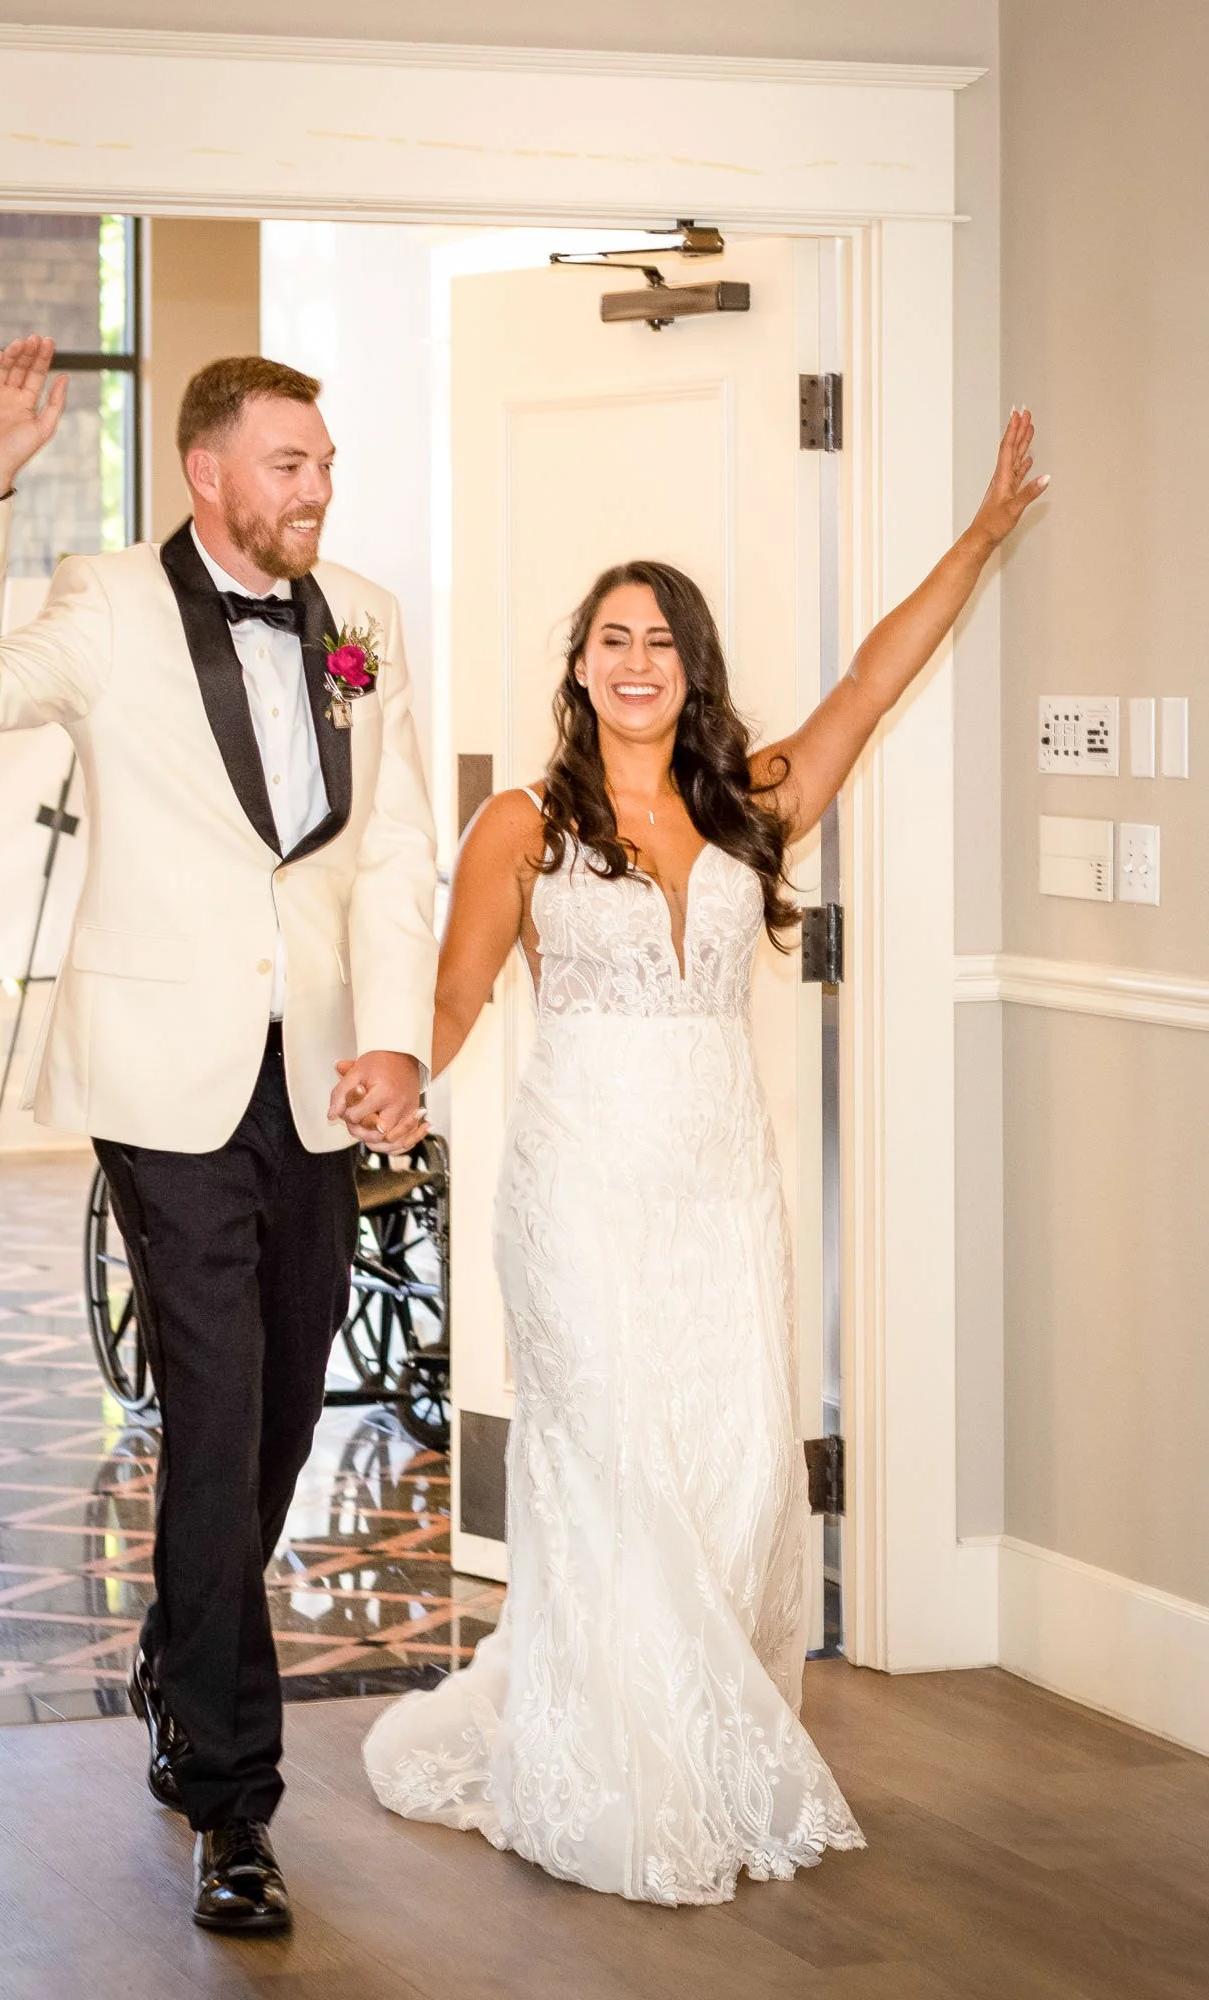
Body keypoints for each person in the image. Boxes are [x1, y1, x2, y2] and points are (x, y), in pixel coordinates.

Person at [362, 411, 1048, 1904]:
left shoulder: (752, 803)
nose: (637, 661)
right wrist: (405, 1077)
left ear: (693, 671)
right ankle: (618, 1772)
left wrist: (984, 539)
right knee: (612, 1466)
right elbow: (459, 992)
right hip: (580, 1189)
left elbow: (874, 678)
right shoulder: (523, 824)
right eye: (614, 637)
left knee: (730, 1474)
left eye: (663, 641)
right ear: (578, 665)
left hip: (722, 1191)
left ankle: (693, 1738)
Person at [0, 339, 438, 1934]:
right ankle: (232, 1798)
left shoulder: (370, 623)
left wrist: (396, 1032)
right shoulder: (108, 601)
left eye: (327, 465)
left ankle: (177, 1649)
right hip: (162, 1073)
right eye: (292, 465)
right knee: (215, 1401)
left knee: (281, 1402)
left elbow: (395, 843)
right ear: (209, 473)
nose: (319, 490)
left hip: (323, 1066)